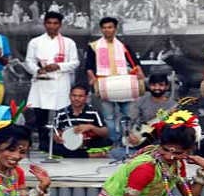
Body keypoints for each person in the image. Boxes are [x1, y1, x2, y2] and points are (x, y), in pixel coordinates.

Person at [24, 11, 79, 152]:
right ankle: (43, 145)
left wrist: (58, 66)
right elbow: (29, 61)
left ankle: (60, 143)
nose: (52, 26)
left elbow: (75, 62)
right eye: (49, 23)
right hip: (42, 82)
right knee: (40, 115)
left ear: (60, 25)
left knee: (61, 113)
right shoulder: (35, 42)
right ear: (44, 24)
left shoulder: (68, 42)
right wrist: (37, 70)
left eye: (55, 23)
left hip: (60, 82)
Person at [85, 17, 144, 146]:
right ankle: (113, 142)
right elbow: (89, 66)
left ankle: (127, 142)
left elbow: (135, 63)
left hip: (123, 85)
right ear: (101, 29)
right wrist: (92, 78)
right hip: (105, 85)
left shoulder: (123, 46)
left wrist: (139, 74)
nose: (107, 30)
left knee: (128, 115)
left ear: (115, 29)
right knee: (109, 117)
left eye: (110, 27)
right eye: (104, 27)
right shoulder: (94, 46)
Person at [51, 85, 111, 158]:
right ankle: (91, 155)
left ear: (86, 98)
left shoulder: (94, 112)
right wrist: (57, 137)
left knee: (106, 142)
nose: (76, 98)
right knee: (45, 145)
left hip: (89, 143)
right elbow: (55, 131)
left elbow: (105, 132)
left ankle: (73, 154)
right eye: (74, 95)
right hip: (68, 144)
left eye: (80, 96)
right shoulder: (61, 113)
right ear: (69, 96)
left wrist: (91, 127)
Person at [126, 73, 177, 149]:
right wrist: (129, 134)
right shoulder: (141, 101)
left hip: (164, 142)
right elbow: (130, 119)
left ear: (167, 87)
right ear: (149, 86)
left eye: (161, 85)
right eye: (153, 85)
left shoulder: (173, 105)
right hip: (141, 140)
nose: (157, 88)